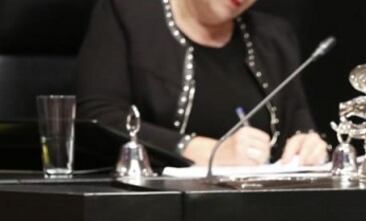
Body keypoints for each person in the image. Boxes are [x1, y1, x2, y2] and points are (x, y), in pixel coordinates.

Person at [77, 0, 327, 166]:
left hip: (259, 209)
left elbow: (298, 123)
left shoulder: (273, 36)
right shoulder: (128, 14)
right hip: (151, 208)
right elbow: (99, 117)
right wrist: (205, 151)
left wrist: (308, 146)